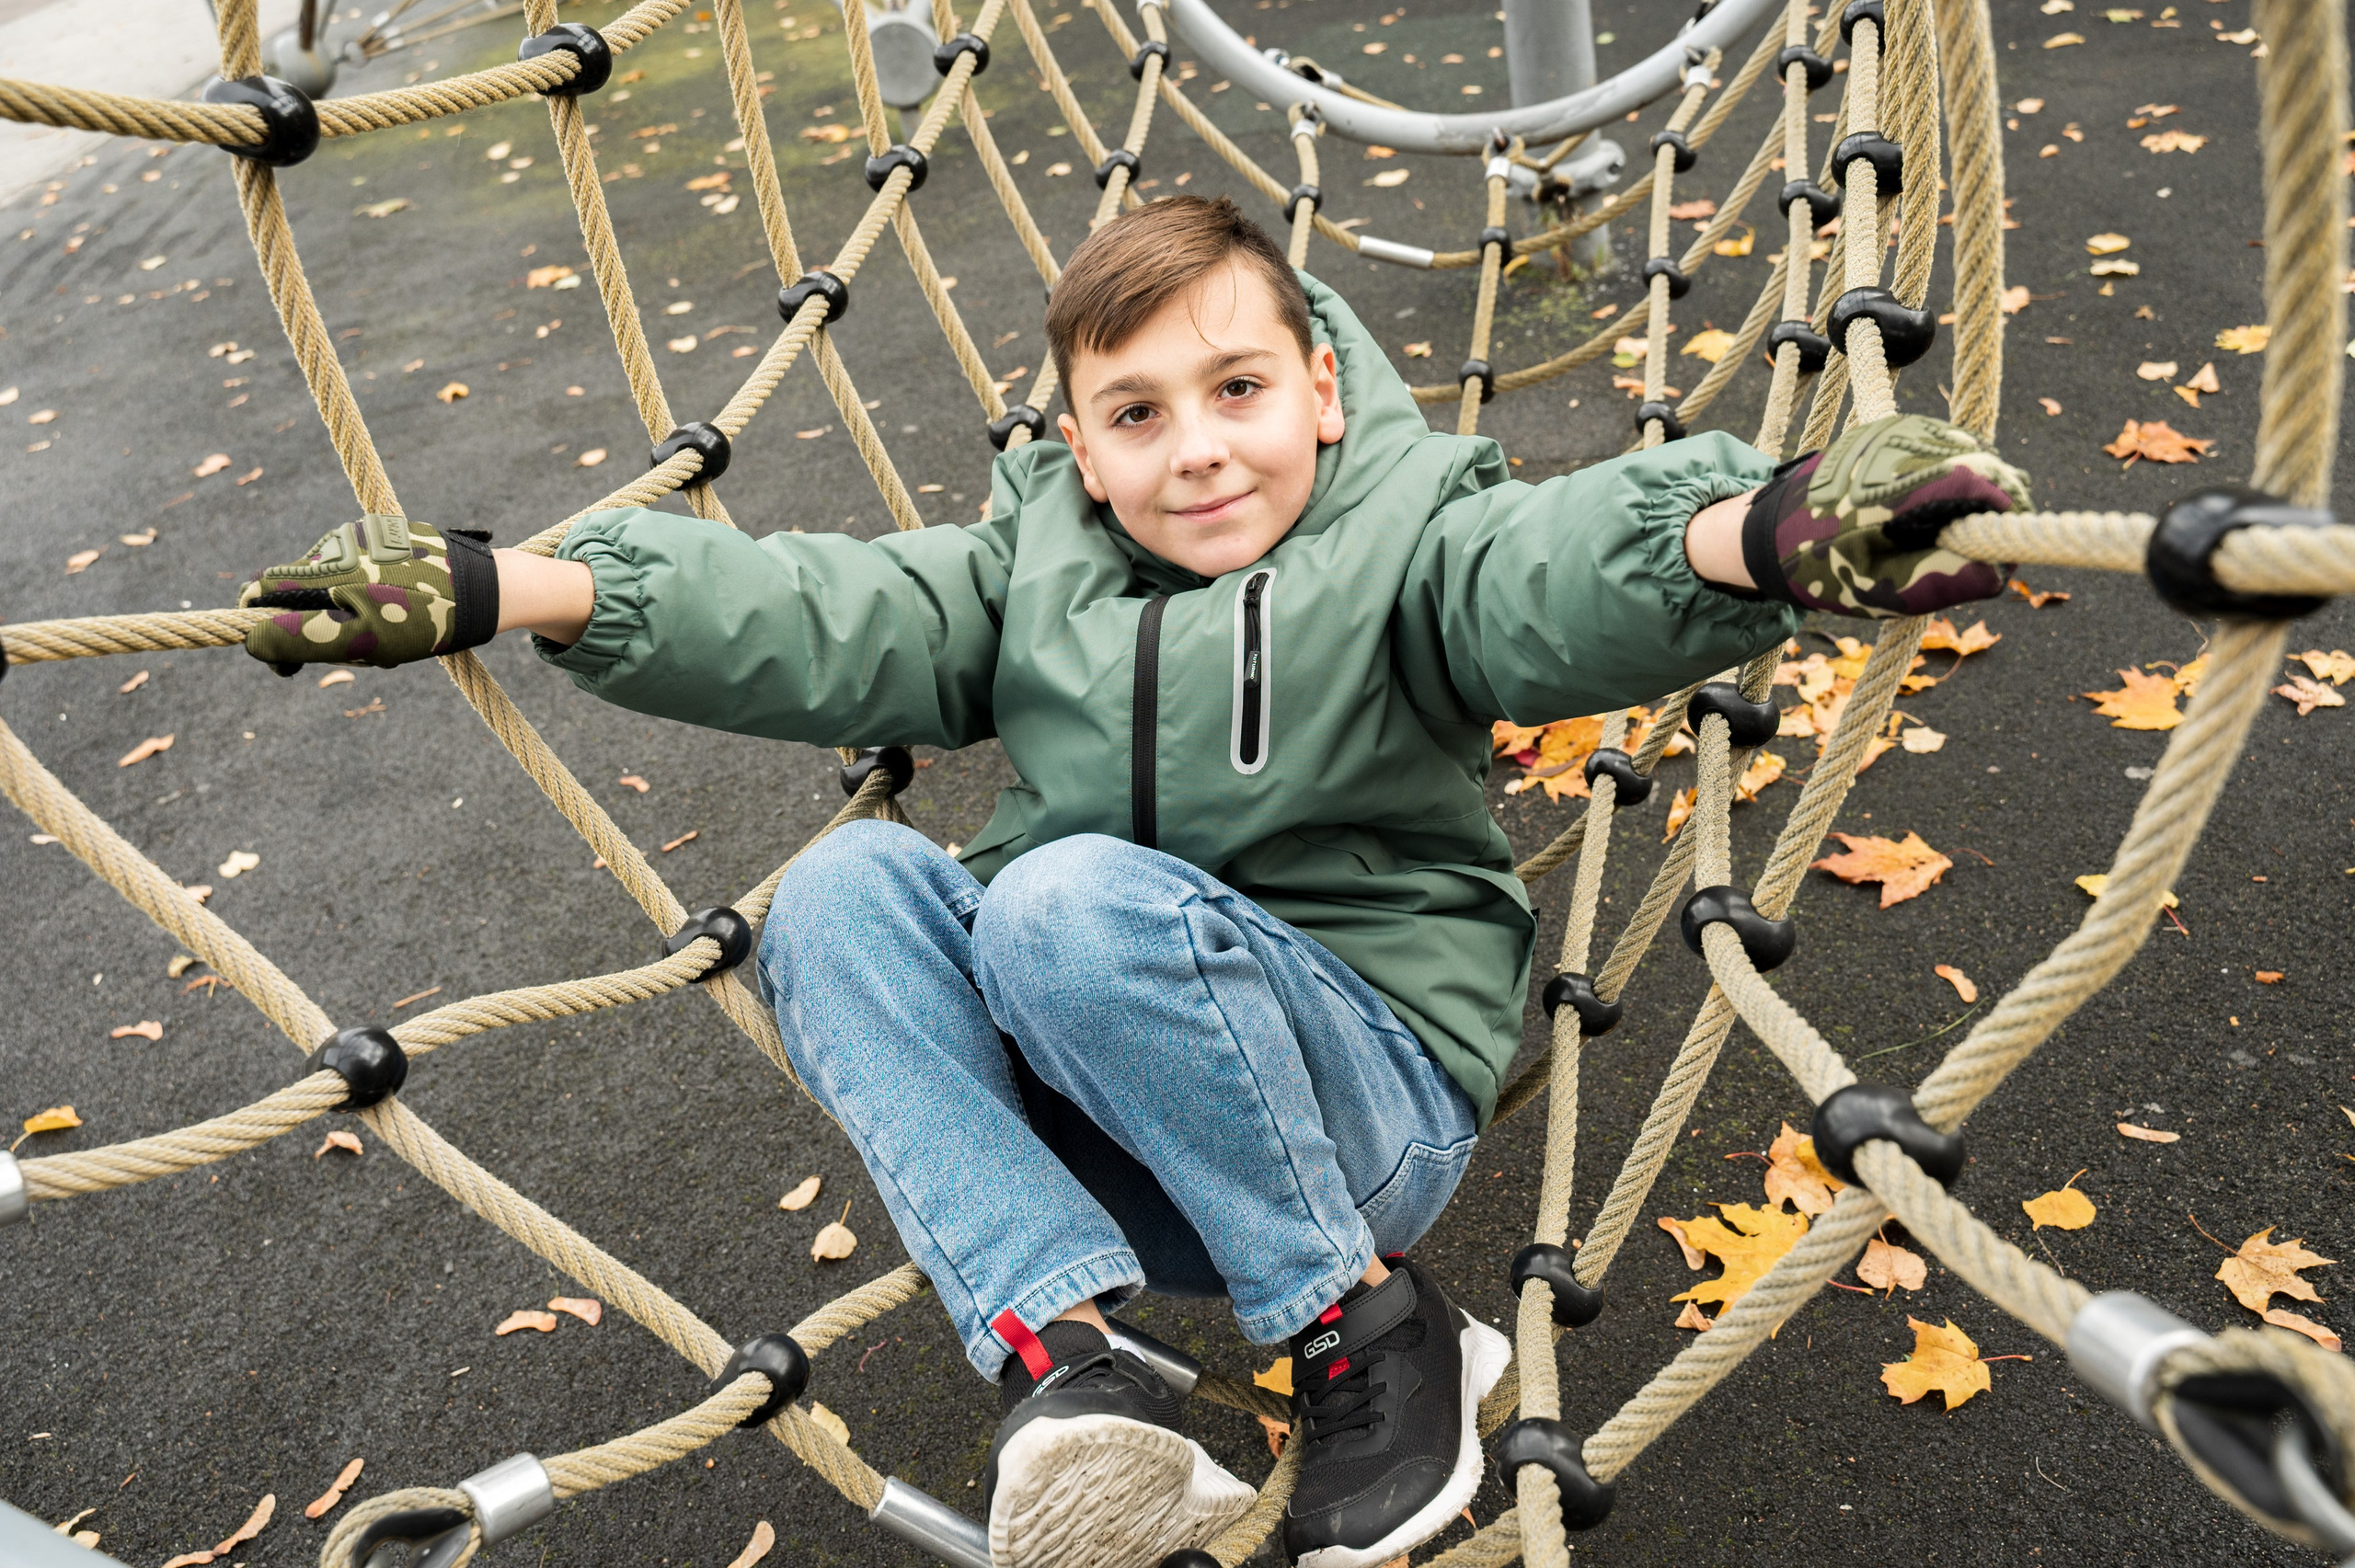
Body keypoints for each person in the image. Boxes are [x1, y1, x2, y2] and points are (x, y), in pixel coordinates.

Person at [238, 196, 2027, 1568]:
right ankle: (1071, 1371)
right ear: (1076, 448)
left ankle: (1369, 1328)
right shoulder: (1037, 572)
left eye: (1237, 388)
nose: (1196, 448)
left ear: (1318, 389)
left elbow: (1557, 572)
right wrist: (529, 587)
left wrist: (1770, 526)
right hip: (1116, 1137)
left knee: (1052, 896)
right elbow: (819, 609)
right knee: (844, 887)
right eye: (1136, 411)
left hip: (1356, 1108)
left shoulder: (1406, 545)